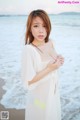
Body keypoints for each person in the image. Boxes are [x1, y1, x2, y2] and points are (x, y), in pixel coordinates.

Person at [21, 9, 64, 120]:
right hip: (39, 99)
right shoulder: (28, 50)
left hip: (53, 95)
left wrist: (59, 60)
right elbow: (28, 80)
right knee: (41, 115)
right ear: (30, 28)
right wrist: (50, 68)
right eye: (36, 26)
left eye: (44, 26)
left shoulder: (51, 42)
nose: (41, 31)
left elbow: (53, 61)